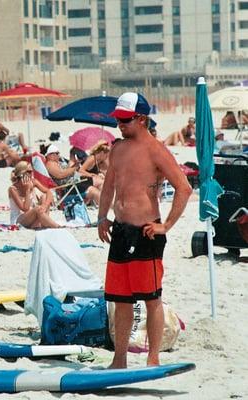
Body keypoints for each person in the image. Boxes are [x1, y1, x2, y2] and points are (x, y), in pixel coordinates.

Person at [98, 92, 192, 369]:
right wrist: (102, 217)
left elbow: (184, 188)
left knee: (151, 299)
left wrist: (166, 225)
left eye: (125, 119)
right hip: (121, 231)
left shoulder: (156, 150)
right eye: (117, 119)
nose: (120, 124)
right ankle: (120, 359)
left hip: (146, 233)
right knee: (121, 300)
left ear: (141, 119)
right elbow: (108, 187)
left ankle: (153, 358)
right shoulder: (117, 148)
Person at [8, 161, 60, 229]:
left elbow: (48, 192)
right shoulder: (13, 189)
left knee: (44, 197)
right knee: (37, 209)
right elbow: (25, 209)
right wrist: (27, 190)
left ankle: (43, 223)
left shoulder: (33, 182)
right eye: (29, 172)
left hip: (32, 217)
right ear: (21, 173)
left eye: (32, 171)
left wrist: (45, 206)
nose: (31, 174)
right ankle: (56, 227)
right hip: (19, 220)